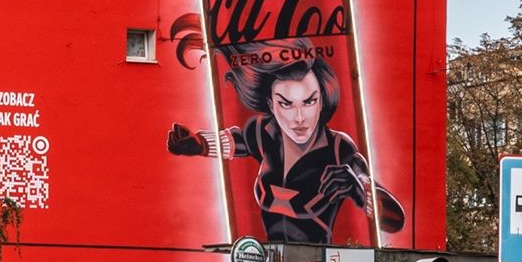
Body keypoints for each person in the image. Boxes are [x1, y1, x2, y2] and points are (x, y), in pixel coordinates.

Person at [169, 45, 407, 244]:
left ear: (322, 101)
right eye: (286, 104)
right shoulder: (263, 134)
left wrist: (359, 190)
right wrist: (198, 144)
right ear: (271, 105)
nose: (299, 118)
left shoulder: (338, 149)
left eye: (309, 102)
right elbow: (238, 141)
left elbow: (395, 220)